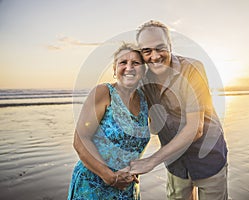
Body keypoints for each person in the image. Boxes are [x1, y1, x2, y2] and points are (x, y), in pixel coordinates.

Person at [130, 20, 228, 200]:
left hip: (208, 156)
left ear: (170, 46)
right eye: (147, 51)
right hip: (175, 163)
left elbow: (195, 129)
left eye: (160, 48)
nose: (155, 56)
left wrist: (151, 161)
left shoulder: (193, 69)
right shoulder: (142, 79)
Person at [68, 43, 150, 200]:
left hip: (127, 187)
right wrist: (110, 177)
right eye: (123, 62)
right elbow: (80, 139)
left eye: (136, 63)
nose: (129, 67)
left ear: (143, 70)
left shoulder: (145, 101)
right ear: (114, 69)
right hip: (93, 185)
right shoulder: (104, 93)